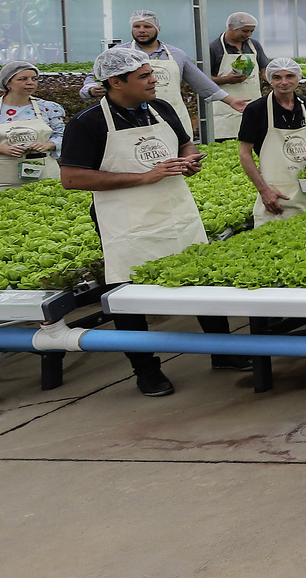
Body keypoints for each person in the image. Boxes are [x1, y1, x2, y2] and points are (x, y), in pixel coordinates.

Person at [59, 44, 241, 391]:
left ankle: (224, 351)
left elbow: (185, 143)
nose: (153, 80)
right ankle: (145, 369)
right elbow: (71, 178)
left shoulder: (161, 108)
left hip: (177, 211)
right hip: (127, 223)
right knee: (128, 300)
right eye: (144, 76)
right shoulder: (88, 123)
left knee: (202, 283)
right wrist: (144, 176)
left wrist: (189, 160)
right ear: (115, 81)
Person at [80, 9, 240, 139]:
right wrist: (91, 88)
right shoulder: (118, 53)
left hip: (174, 117)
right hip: (132, 119)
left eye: (147, 27)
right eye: (137, 26)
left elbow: (201, 83)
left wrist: (231, 101)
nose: (141, 31)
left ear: (158, 29)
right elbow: (92, 78)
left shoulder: (176, 54)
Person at [235, 56, 306, 225]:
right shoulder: (256, 110)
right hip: (275, 193)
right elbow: (244, 154)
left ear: (298, 78)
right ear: (269, 80)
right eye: (277, 77)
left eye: (289, 76)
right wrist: (264, 191)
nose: (284, 82)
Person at [0, 61, 65, 198]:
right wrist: (1, 149)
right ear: (8, 83)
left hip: (44, 175)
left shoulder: (48, 108)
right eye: (23, 79)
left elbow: (63, 136)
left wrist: (48, 144)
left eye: (34, 79)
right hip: (1, 179)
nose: (30, 83)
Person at [205, 11, 269, 138]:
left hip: (253, 102)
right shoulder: (214, 48)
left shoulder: (254, 45)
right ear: (230, 27)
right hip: (225, 108)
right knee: (227, 141)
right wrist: (226, 79)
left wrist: (276, 82)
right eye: (245, 31)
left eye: (251, 31)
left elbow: (264, 70)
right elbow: (203, 80)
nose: (249, 34)